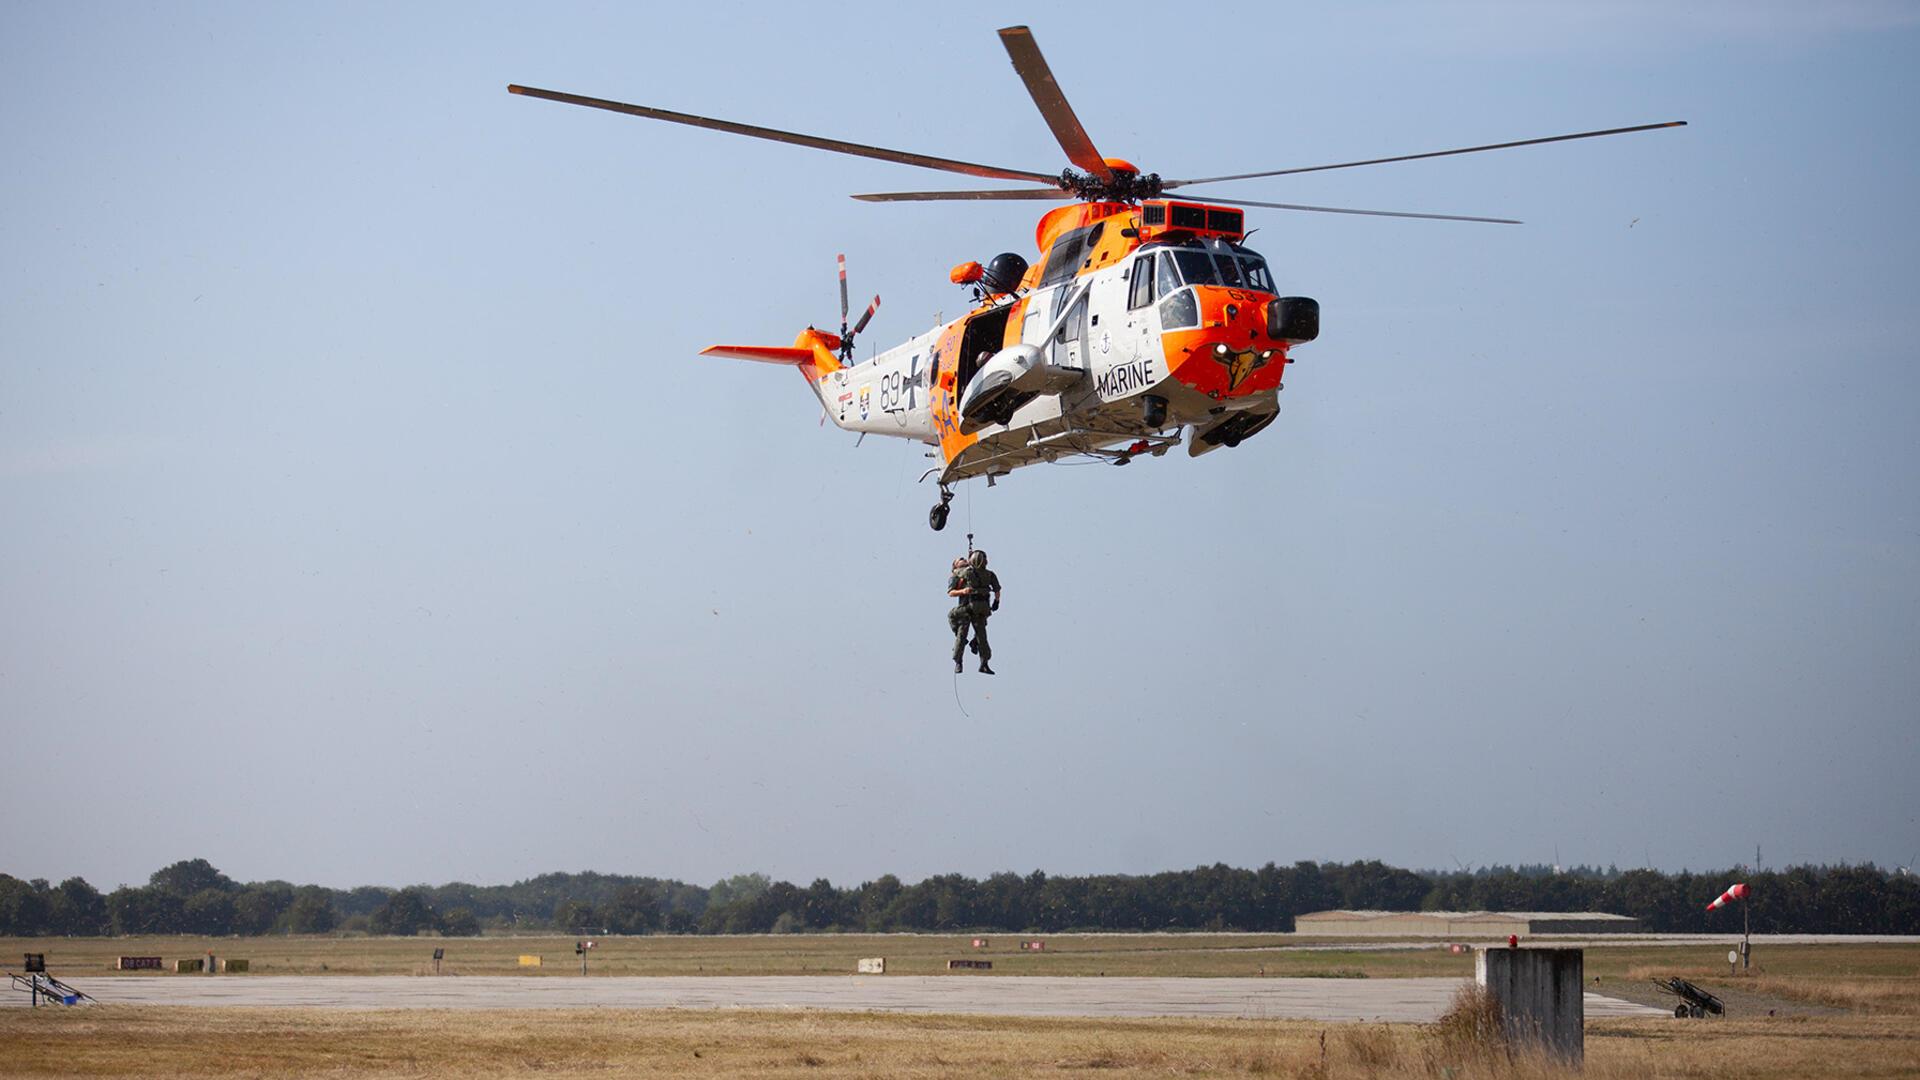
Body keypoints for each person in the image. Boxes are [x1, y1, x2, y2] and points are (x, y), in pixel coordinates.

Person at [947, 549, 1002, 674]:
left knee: (982, 637)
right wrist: (963, 591)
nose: (963, 559)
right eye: (960, 560)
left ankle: (984, 662)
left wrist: (996, 601)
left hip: (980, 609)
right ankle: (958, 661)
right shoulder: (961, 575)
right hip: (966, 609)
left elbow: (996, 589)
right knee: (961, 634)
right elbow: (951, 591)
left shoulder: (978, 573)